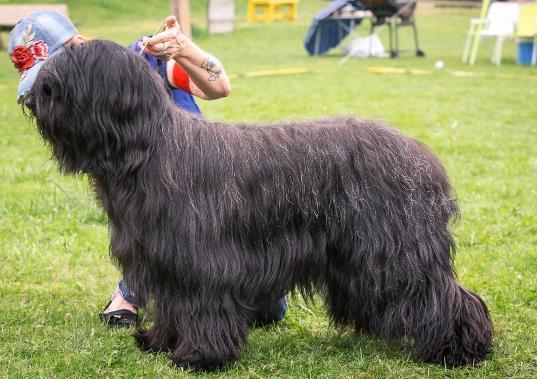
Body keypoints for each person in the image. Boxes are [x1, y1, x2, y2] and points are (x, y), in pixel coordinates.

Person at [9, 11, 287, 328]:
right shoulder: (81, 107)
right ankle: (132, 291)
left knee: (267, 311)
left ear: (77, 47)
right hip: (149, 211)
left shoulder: (142, 61)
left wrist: (183, 49)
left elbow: (218, 86)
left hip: (206, 196)